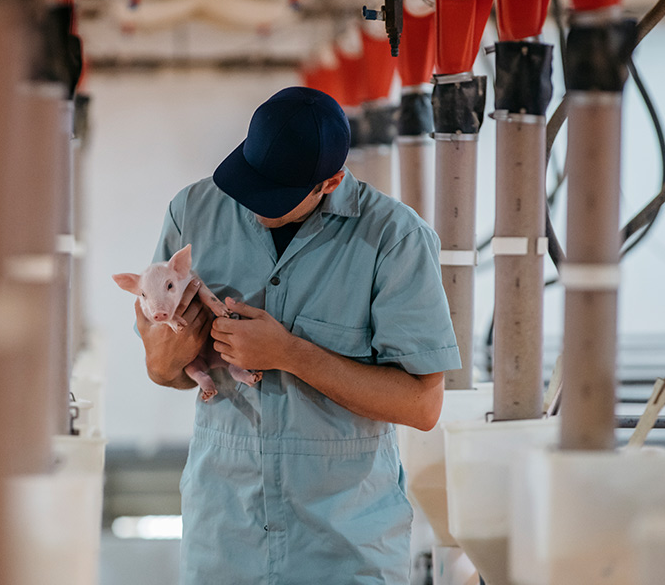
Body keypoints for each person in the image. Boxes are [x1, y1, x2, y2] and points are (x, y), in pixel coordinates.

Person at [135, 86, 461, 584]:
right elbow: (162, 362)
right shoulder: (193, 211)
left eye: (275, 196)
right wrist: (165, 361)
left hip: (344, 549)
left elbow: (422, 405)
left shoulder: (394, 239)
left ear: (330, 181)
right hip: (224, 539)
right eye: (249, 182)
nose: (253, 204)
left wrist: (290, 354)